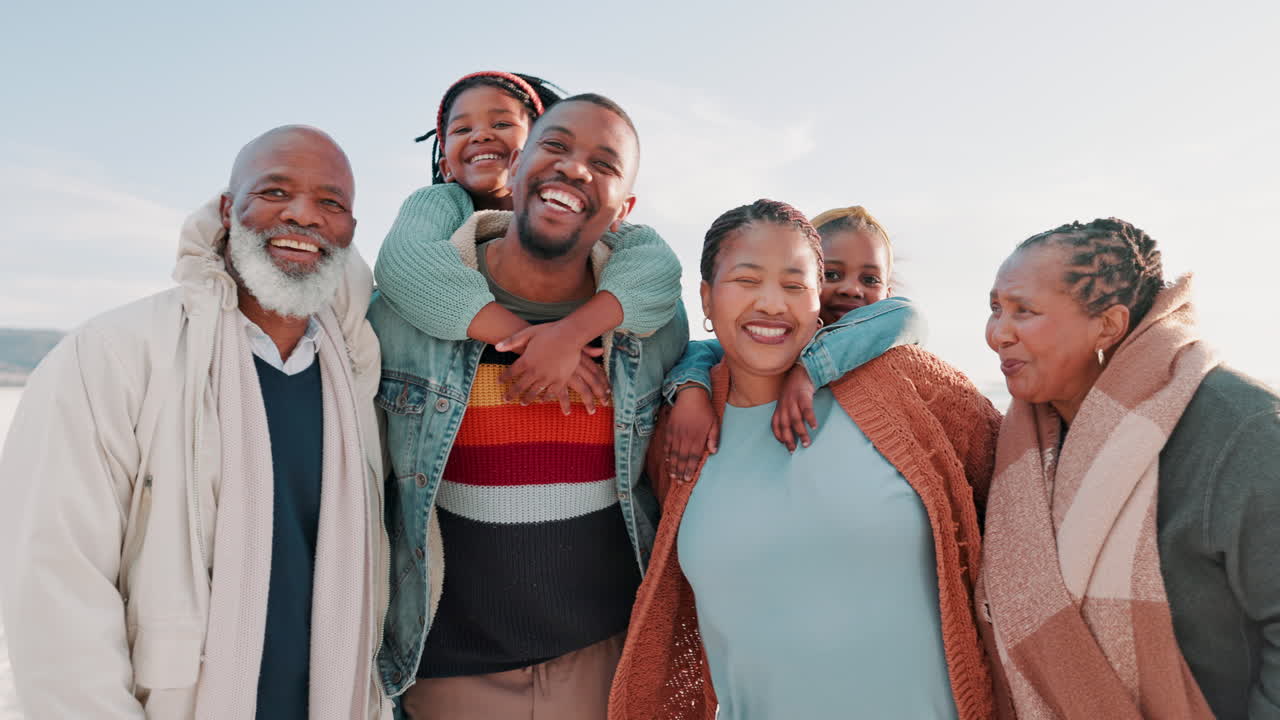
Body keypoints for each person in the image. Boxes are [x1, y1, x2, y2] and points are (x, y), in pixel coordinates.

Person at [0, 126, 391, 719]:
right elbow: (55, 587)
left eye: (330, 202)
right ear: (229, 210)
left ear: (350, 232)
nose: (303, 216)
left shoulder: (357, 375)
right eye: (275, 191)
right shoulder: (115, 354)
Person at [608, 199, 1001, 720]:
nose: (772, 303)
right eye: (747, 281)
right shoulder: (677, 429)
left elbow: (1023, 490)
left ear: (817, 301)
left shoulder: (907, 383)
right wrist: (690, 384)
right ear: (706, 295)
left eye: (794, 286)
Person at [368, 93, 688, 719]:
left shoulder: (652, 330)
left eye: (604, 161)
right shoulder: (402, 319)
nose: (574, 169)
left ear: (624, 209)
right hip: (449, 674)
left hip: (603, 664)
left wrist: (696, 384)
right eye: (557, 146)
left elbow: (722, 362)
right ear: (514, 170)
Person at [978, 218, 1280, 719]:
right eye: (994, 308)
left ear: (1109, 325)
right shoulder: (1018, 449)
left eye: (1023, 311)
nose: (997, 334)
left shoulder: (1240, 430)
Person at [375, 71, 681, 412]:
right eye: (462, 130)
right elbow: (404, 265)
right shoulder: (441, 203)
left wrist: (569, 334)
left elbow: (658, 263)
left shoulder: (596, 225)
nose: (481, 135)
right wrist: (534, 343)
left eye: (502, 124)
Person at [660, 203, 923, 481]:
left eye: (870, 279)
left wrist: (808, 370)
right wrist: (692, 391)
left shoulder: (885, 350)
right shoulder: (768, 344)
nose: (851, 289)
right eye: (832, 274)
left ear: (888, 291)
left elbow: (908, 315)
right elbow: (704, 350)